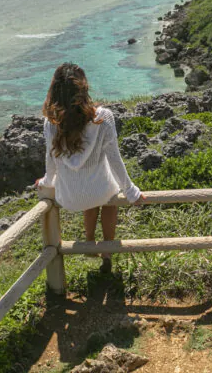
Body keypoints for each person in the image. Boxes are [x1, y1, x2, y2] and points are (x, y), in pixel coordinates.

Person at [37, 62, 143, 273]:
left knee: (90, 191)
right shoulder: (103, 118)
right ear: (84, 88)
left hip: (70, 198)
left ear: (54, 91)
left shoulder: (51, 123)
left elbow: (51, 162)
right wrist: (131, 192)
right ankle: (107, 251)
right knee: (109, 196)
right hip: (100, 190)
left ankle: (89, 241)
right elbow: (115, 160)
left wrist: (46, 183)